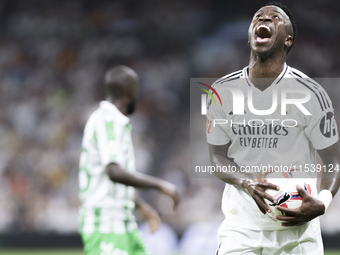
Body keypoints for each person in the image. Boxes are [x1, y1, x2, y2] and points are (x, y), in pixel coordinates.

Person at [206, 2, 340, 254]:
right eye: (258, 16)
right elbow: (217, 157)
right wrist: (247, 182)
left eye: (275, 17)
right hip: (241, 230)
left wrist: (322, 203)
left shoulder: (310, 93)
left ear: (288, 40)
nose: (264, 19)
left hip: (298, 234)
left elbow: (334, 158)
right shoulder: (221, 92)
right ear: (249, 37)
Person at [78, 65, 179, 255]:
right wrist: (160, 185)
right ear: (132, 91)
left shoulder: (115, 122)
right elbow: (114, 172)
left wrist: (141, 205)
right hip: (105, 223)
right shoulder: (108, 121)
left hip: (123, 222)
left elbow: (112, 181)